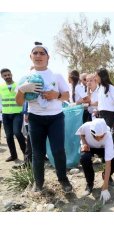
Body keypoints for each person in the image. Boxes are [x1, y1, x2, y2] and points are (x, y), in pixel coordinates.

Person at [15, 42, 72, 193]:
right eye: (35, 53)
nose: (38, 56)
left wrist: (56, 95)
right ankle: (38, 183)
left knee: (58, 150)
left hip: (55, 118)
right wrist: (22, 90)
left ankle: (63, 179)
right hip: (36, 119)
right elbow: (19, 102)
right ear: (30, 56)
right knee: (37, 153)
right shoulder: (25, 77)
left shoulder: (56, 76)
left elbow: (67, 96)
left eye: (42, 53)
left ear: (48, 57)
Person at [76, 118, 114, 201]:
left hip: (102, 148)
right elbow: (81, 134)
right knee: (84, 159)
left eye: (101, 137)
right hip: (89, 146)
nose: (99, 139)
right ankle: (89, 184)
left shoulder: (108, 136)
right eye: (96, 137)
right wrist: (84, 143)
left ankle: (106, 176)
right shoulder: (86, 126)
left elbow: (108, 163)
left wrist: (105, 187)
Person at [0, 68, 26, 162]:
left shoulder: (18, 85)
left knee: (17, 133)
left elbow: (24, 98)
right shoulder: (1, 87)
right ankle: (13, 155)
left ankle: (26, 155)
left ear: (11, 74)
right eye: (5, 75)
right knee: (9, 135)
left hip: (17, 113)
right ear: (2, 77)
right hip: (6, 115)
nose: (7, 76)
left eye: (8, 74)